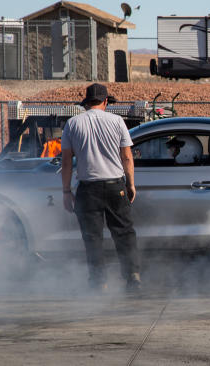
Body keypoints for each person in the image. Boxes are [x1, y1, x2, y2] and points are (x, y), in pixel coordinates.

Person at [61, 83, 141, 292]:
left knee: (92, 238)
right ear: (106, 101)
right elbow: (127, 156)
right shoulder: (117, 121)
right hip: (116, 186)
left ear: (86, 103)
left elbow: (67, 162)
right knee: (124, 233)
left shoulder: (72, 124)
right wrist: (130, 184)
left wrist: (66, 191)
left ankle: (99, 283)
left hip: (87, 189)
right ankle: (132, 278)